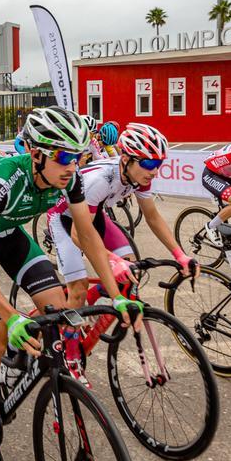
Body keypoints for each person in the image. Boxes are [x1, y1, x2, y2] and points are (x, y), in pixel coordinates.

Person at [0, 106, 142, 461]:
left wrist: (117, 294)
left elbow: (87, 234)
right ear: (36, 155)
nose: (74, 165)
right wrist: (12, 316)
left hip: (11, 236)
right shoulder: (1, 184)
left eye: (80, 156)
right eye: (65, 156)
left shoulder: (68, 180)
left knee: (60, 311)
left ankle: (25, 353)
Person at [46, 122, 194, 383]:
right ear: (126, 159)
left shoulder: (139, 177)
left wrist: (179, 253)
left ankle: (94, 301)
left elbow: (152, 216)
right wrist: (110, 260)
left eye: (159, 163)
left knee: (130, 271)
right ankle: (69, 356)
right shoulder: (99, 180)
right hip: (65, 220)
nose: (154, 171)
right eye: (148, 164)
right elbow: (80, 235)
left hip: (95, 215)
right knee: (79, 286)